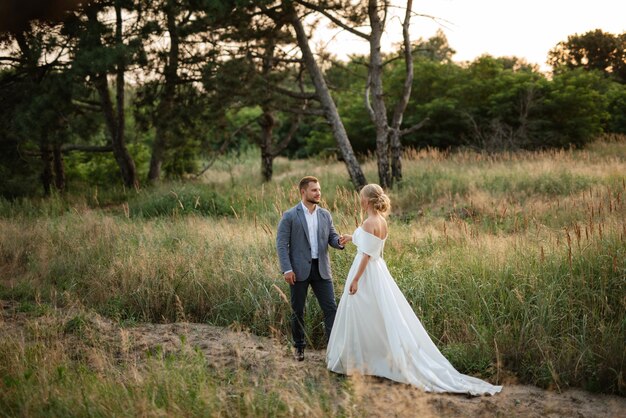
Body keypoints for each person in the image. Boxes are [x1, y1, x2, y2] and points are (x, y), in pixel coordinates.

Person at [326, 184, 502, 396]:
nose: (360, 201)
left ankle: (362, 361)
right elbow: (369, 243)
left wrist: (355, 280)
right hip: (378, 271)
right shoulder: (380, 221)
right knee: (378, 316)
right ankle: (374, 359)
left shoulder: (368, 221)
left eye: (361, 197)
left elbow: (366, 254)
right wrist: (350, 237)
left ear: (368, 201)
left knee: (362, 315)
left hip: (365, 274)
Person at [276, 176, 344, 361]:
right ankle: (299, 347)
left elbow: (332, 237)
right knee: (298, 310)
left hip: (321, 269)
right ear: (303, 192)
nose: (318, 193)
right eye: (314, 190)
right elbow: (281, 244)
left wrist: (339, 242)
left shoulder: (325, 215)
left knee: (331, 308)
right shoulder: (290, 215)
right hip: (298, 270)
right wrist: (287, 269)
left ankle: (333, 351)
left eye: (319, 190)